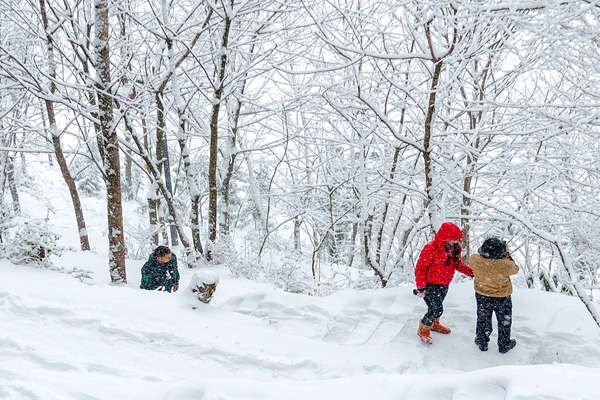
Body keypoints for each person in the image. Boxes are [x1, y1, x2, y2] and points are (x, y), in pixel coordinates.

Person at [414, 222, 474, 344]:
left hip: (444, 284)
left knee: (437, 306)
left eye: (457, 239)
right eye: (453, 239)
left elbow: (457, 264)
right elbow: (420, 268)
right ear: (445, 237)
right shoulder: (431, 248)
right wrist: (420, 285)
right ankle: (423, 329)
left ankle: (434, 324)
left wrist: (471, 272)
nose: (456, 241)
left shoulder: (455, 248)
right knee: (436, 309)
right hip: (430, 284)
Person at [469, 237, 519, 353]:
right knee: (504, 321)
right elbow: (515, 268)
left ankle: (482, 340)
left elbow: (473, 258)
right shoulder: (505, 265)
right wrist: (507, 253)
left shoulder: (475, 260)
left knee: (483, 318)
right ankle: (504, 344)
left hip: (482, 294)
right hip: (502, 296)